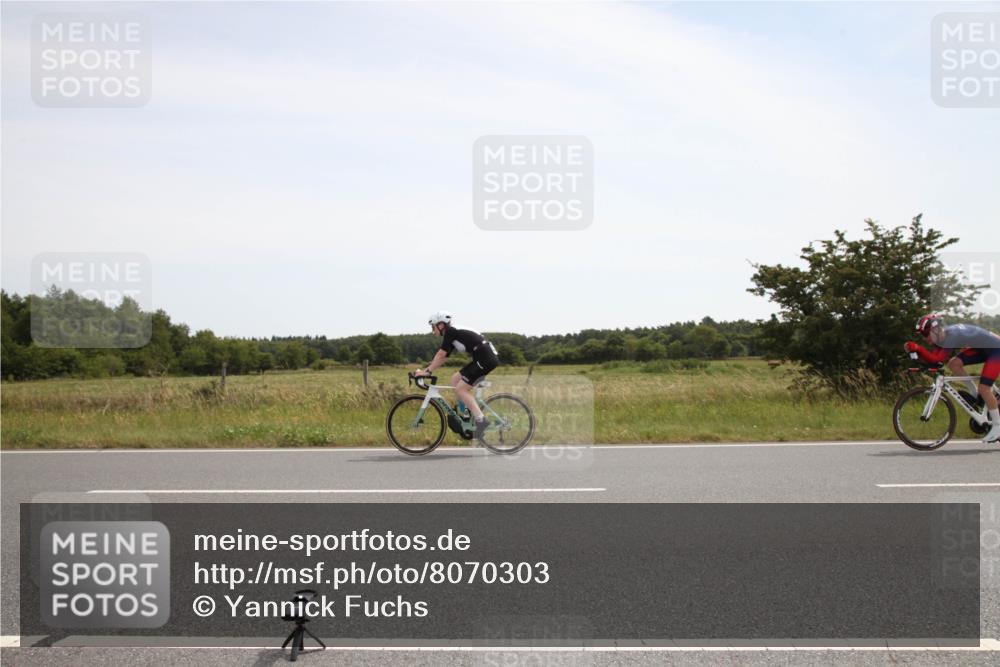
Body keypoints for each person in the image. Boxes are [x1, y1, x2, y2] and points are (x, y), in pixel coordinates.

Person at [905, 314, 1000, 443]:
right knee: (954, 363)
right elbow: (934, 362)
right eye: (923, 335)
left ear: (936, 329)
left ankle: (997, 426)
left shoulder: (952, 336)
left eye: (926, 334)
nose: (925, 338)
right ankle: (975, 393)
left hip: (996, 350)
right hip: (983, 349)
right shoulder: (940, 339)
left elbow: (938, 360)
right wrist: (914, 352)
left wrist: (918, 348)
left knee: (984, 388)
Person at [414, 311, 500, 440]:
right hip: (482, 357)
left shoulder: (451, 332)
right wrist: (428, 369)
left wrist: (427, 372)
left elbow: (441, 355)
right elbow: (442, 358)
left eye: (433, 327)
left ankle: (482, 421)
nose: (433, 330)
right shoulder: (453, 333)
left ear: (441, 325)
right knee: (455, 379)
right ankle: (465, 414)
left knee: (461, 389)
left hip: (485, 358)